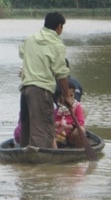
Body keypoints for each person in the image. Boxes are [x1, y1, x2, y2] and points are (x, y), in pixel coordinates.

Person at [18, 12, 74, 148]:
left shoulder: (30, 39)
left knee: (27, 128)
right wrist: (67, 96)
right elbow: (61, 74)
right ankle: (42, 165)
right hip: (40, 91)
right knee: (42, 131)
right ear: (59, 27)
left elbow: (21, 53)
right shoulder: (57, 44)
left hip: (25, 90)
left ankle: (23, 164)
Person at [54, 78, 86, 148]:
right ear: (61, 96)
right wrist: (57, 124)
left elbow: (81, 123)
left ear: (74, 95)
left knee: (81, 130)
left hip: (71, 136)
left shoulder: (77, 106)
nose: (69, 98)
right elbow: (53, 121)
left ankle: (78, 150)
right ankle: (56, 148)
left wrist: (68, 127)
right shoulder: (58, 107)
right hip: (59, 134)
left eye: (71, 95)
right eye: (66, 95)